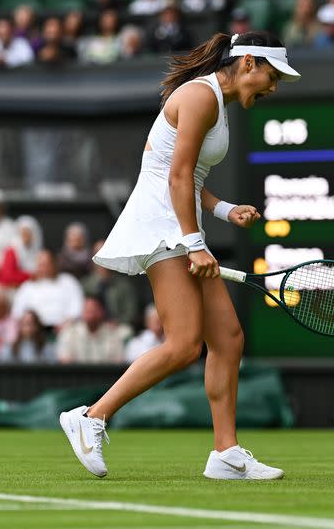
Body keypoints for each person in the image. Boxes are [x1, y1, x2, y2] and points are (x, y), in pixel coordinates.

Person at [59, 31, 297, 480]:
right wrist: (195, 242)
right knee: (185, 343)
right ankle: (91, 416)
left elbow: (190, 175)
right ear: (248, 63)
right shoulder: (200, 96)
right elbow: (176, 174)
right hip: (160, 227)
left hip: (179, 225)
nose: (273, 87)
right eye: (271, 75)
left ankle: (225, 454)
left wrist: (223, 210)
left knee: (227, 339)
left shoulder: (216, 104)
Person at [11, 249, 83, 329]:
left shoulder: (68, 282)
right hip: (36, 332)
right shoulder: (27, 287)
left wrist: (67, 323)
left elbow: (77, 309)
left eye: (46, 265)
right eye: (40, 265)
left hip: (64, 330)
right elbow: (17, 313)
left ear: (54, 264)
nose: (43, 268)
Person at [56, 296, 132, 364]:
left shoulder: (113, 333)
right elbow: (64, 361)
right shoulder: (70, 332)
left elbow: (119, 362)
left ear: (102, 312)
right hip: (76, 378)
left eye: (94, 310)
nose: (90, 314)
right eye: (87, 310)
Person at [0, 215, 41, 288]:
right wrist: (30, 276)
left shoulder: (38, 252)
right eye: (23, 232)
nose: (26, 236)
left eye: (29, 233)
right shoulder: (11, 250)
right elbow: (8, 276)